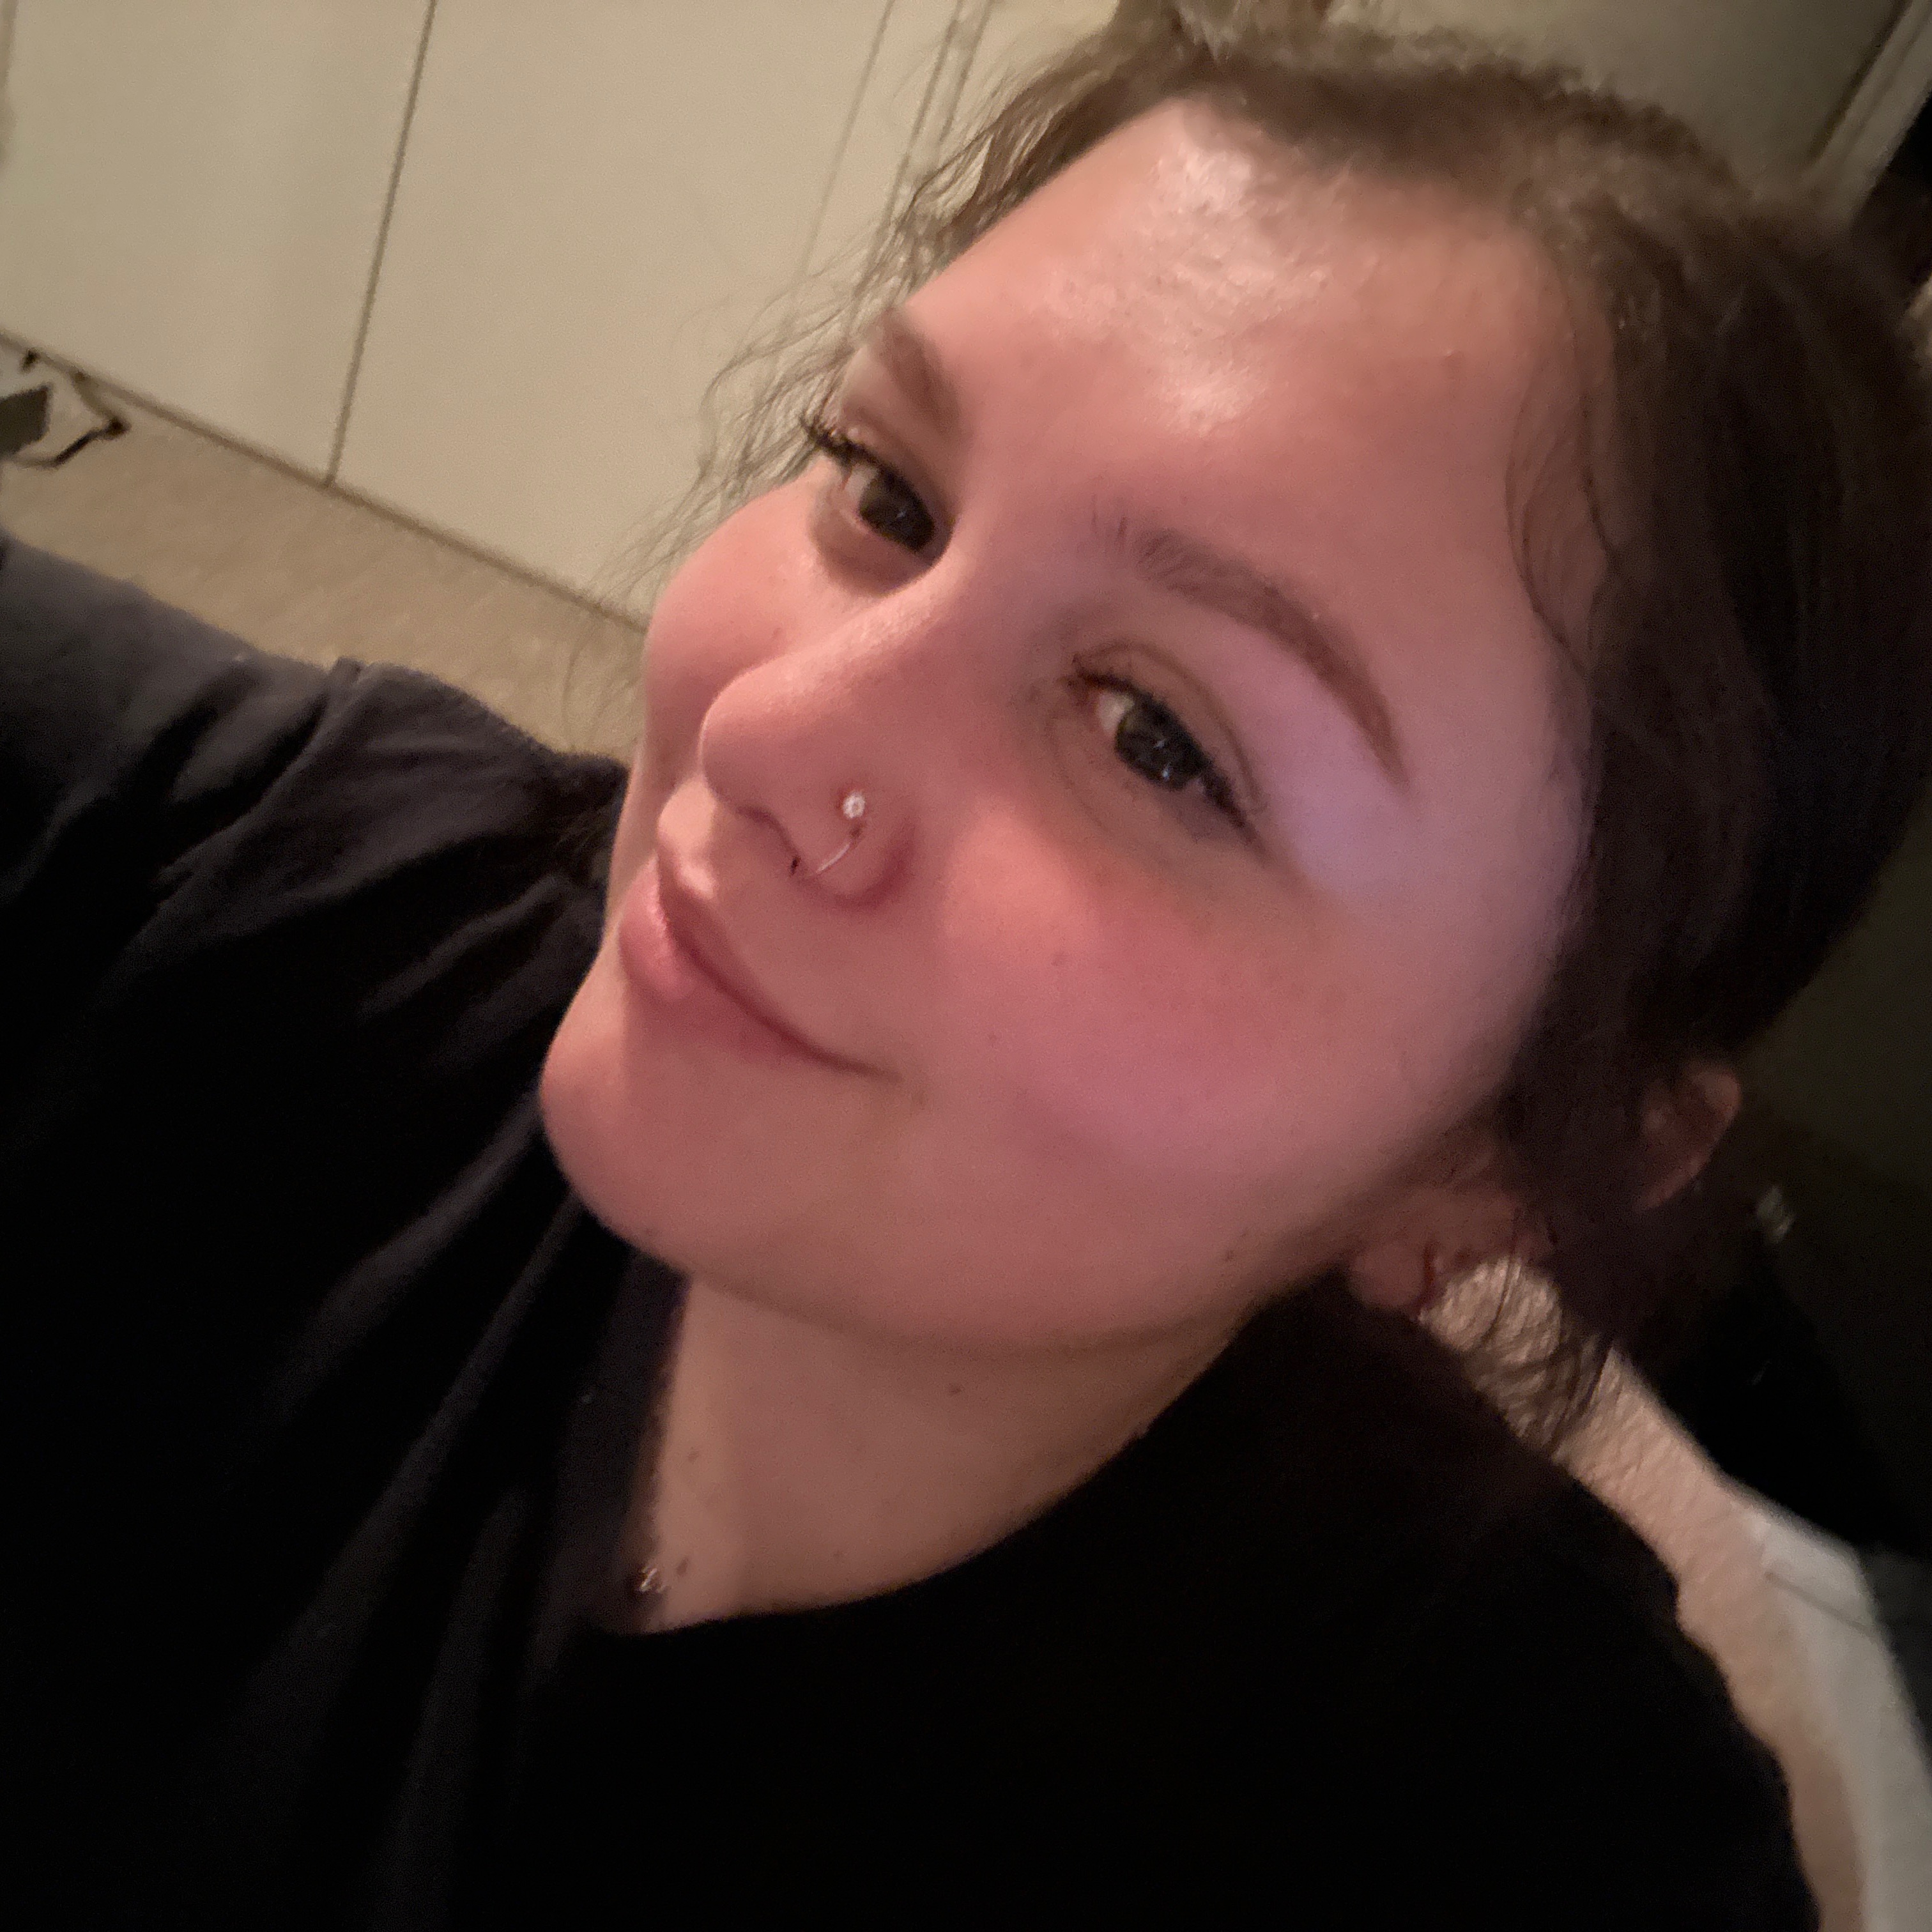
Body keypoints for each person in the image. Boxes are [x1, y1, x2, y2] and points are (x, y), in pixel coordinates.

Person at [6, 6, 1929, 1926]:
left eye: (1158, 741)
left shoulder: (1526, 1824)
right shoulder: (303, 892)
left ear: (1498, 1161)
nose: (763, 733)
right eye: (887, 492)